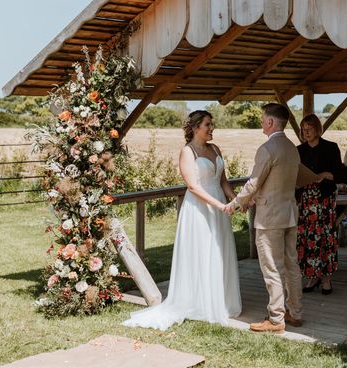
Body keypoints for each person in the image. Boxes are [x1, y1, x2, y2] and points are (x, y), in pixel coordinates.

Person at [123, 110, 241, 330]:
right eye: (207, 124)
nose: (211, 128)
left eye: (211, 124)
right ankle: (199, 303)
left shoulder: (215, 149)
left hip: (220, 207)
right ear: (196, 127)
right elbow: (193, 186)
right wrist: (219, 205)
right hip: (199, 209)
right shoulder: (187, 152)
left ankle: (220, 300)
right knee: (202, 252)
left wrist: (235, 200)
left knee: (219, 251)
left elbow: (223, 181)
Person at [225, 103, 303, 333]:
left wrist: (235, 203)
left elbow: (253, 182)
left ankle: (276, 318)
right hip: (289, 212)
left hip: (270, 217)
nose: (261, 122)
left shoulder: (267, 149)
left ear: (270, 122)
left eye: (262, 119)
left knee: (272, 267)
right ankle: (295, 313)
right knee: (291, 266)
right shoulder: (292, 148)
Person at [296, 114, 344, 295]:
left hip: (324, 200)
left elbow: (339, 174)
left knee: (325, 238)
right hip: (306, 200)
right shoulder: (299, 150)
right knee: (307, 239)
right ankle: (311, 276)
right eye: (303, 129)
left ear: (317, 128)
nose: (305, 132)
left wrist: (324, 174)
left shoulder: (331, 148)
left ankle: (326, 279)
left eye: (309, 128)